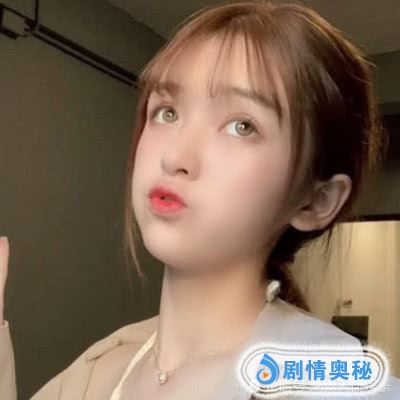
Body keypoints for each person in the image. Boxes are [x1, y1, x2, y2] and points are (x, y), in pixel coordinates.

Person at [1, 1, 399, 399]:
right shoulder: (93, 372)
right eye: (167, 112)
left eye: (242, 126)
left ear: (316, 201)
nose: (175, 157)